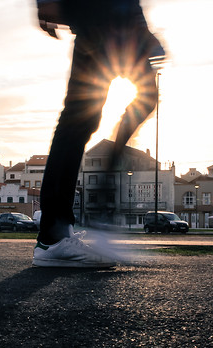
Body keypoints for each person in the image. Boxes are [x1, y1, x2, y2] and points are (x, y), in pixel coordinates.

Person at [33, 0, 164, 267]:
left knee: (89, 116)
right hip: (100, 19)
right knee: (79, 118)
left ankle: (60, 231)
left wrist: (142, 27)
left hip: (117, 21)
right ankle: (55, 235)